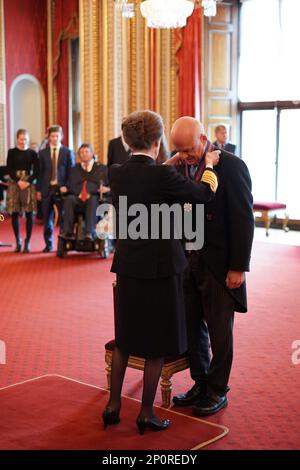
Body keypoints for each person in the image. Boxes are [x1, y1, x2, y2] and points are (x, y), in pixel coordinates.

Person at [103, 110, 219, 435]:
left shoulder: (117, 172)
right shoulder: (162, 178)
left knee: (125, 337)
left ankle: (112, 407)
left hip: (127, 267)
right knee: (156, 344)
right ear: (157, 143)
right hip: (161, 270)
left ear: (128, 141)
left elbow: (147, 178)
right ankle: (145, 414)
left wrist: (163, 166)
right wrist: (208, 165)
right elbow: (204, 194)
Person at [171, 117, 254, 416]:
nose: (184, 155)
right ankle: (201, 382)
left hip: (220, 263)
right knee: (193, 327)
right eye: (177, 151)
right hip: (187, 260)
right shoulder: (179, 165)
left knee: (220, 331)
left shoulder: (232, 166)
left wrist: (238, 267)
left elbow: (244, 220)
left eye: (188, 149)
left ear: (203, 137)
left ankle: (218, 389)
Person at [37, 125, 75, 252]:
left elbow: (71, 172)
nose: (54, 138)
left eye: (57, 136)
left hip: (62, 190)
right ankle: (48, 244)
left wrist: (68, 187)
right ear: (48, 137)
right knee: (47, 218)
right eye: (52, 136)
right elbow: (39, 173)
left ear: (61, 137)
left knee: (64, 218)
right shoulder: (42, 153)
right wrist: (38, 190)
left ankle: (62, 244)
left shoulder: (67, 152)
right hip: (46, 189)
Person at [61, 143, 110, 240]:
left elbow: (108, 185)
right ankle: (68, 232)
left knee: (92, 200)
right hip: (77, 199)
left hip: (94, 199)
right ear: (79, 155)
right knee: (69, 199)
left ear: (92, 153)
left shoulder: (101, 168)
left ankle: (89, 232)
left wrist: (107, 189)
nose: (84, 154)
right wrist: (66, 188)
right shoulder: (74, 169)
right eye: (81, 152)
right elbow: (70, 185)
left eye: (87, 151)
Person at [6, 129, 39, 253]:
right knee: (15, 213)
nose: (23, 141)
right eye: (20, 139)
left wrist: (28, 182)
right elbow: (9, 169)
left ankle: (27, 241)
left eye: (25, 139)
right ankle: (18, 241)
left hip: (29, 183)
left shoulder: (33, 153)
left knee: (29, 214)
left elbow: (37, 171)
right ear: (17, 139)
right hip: (15, 183)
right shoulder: (11, 152)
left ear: (28, 139)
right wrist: (18, 181)